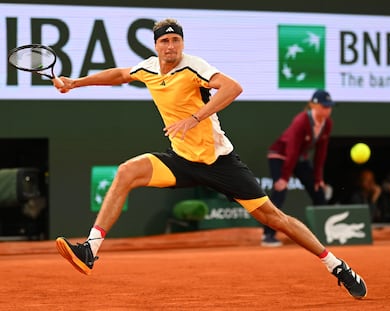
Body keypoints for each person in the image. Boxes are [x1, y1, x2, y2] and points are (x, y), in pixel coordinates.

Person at [54, 18, 367, 299]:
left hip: (220, 163)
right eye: (165, 41)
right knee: (126, 172)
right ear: (156, 46)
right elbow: (120, 74)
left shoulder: (193, 66)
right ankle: (90, 250)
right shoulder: (148, 68)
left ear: (182, 44)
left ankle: (337, 266)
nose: (171, 45)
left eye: (176, 40)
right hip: (181, 160)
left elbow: (233, 87)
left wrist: (194, 118)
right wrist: (75, 82)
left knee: (275, 219)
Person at [262, 90, 333, 247]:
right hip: (280, 156)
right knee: (280, 191)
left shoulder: (327, 123)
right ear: (313, 105)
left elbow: (321, 152)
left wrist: (318, 178)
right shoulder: (301, 121)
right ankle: (268, 236)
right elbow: (292, 151)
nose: (328, 109)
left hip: (299, 159)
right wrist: (284, 178)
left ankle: (324, 234)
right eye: (324, 106)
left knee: (318, 191)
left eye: (330, 106)